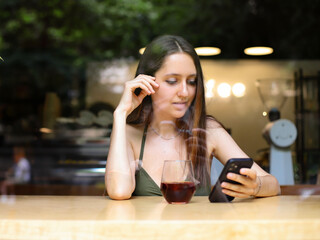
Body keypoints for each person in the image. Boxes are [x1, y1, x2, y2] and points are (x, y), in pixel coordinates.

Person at [105, 35, 280, 200]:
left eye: (191, 81)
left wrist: (256, 186)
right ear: (147, 81)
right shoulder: (129, 133)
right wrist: (120, 114)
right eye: (172, 81)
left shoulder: (208, 131)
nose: (185, 92)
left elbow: (273, 184)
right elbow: (119, 191)